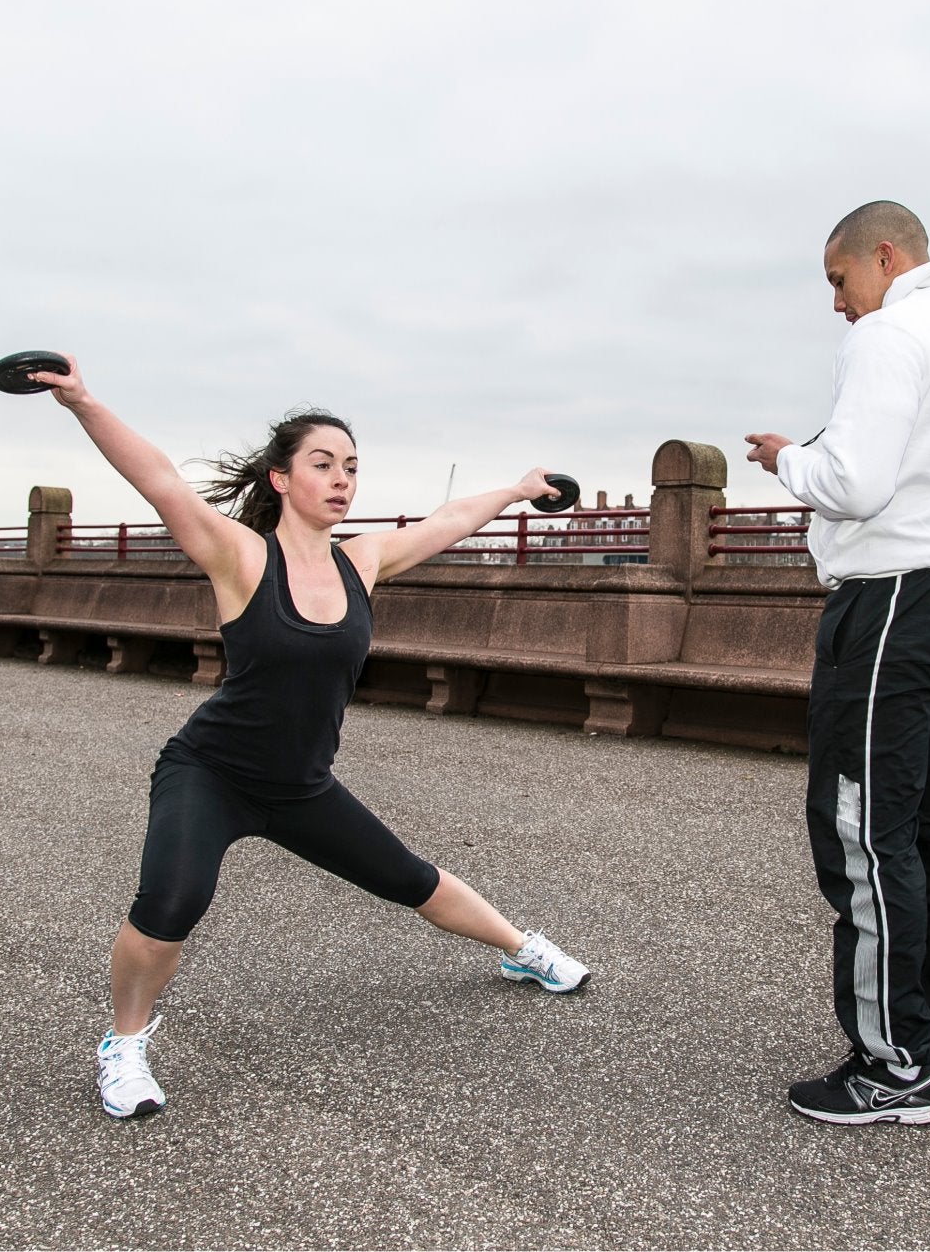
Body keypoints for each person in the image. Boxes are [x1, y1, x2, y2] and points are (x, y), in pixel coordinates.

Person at [31, 355, 591, 1119]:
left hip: (300, 784)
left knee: (409, 879)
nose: (341, 479)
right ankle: (123, 1045)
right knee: (173, 898)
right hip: (213, 771)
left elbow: (448, 522)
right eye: (322, 464)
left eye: (351, 468)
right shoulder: (239, 555)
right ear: (281, 480)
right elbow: (158, 479)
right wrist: (82, 403)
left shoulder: (363, 559)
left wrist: (521, 490)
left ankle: (523, 951)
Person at [744, 201, 930, 1127]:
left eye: (838, 279)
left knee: (864, 830)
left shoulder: (892, 334)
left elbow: (857, 483)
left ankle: (890, 1063)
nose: (838, 304)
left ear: (886, 256)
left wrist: (792, 460)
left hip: (895, 599)